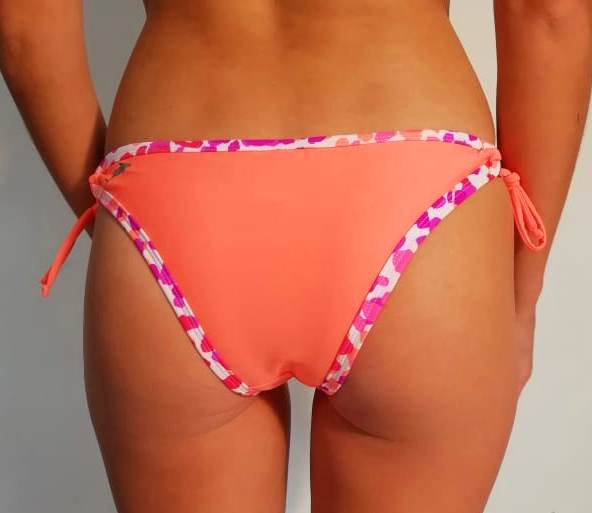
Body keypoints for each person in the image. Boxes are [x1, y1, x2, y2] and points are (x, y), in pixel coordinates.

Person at [1, 1, 590, 512]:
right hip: (416, 180)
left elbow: (23, 22)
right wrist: (520, 291)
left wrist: (130, 231)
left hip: (177, 173)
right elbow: (550, 12)